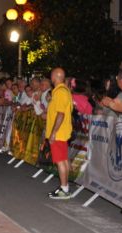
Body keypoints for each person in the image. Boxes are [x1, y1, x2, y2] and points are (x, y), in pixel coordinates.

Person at [46, 68, 73, 199]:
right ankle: (65, 187)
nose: (50, 77)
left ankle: (64, 189)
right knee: (64, 160)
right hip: (61, 133)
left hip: (59, 133)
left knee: (60, 161)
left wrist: (53, 133)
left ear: (56, 76)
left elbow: (61, 114)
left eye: (51, 75)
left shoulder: (61, 92)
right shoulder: (59, 91)